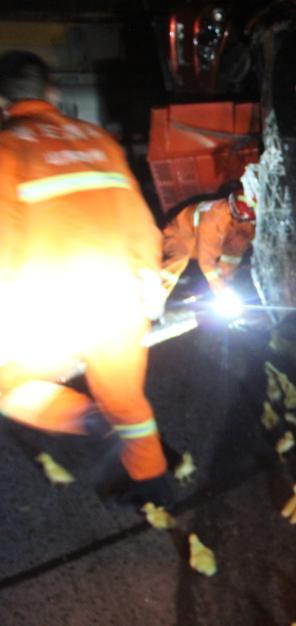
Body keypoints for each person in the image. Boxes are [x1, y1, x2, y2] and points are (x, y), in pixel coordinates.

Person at [0, 51, 171, 504]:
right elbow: (138, 218)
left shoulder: (6, 150)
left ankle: (86, 420)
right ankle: (155, 488)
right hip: (120, 296)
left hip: (52, 302)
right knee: (127, 400)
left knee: (7, 385)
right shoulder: (98, 140)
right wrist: (148, 280)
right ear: (52, 91)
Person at [160, 165, 258, 297]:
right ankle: (154, 295)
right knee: (178, 259)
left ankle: (226, 284)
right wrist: (218, 286)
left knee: (238, 241)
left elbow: (238, 247)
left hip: (206, 238)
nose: (248, 224)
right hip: (181, 232)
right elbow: (206, 261)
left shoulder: (243, 218)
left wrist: (225, 282)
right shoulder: (213, 219)